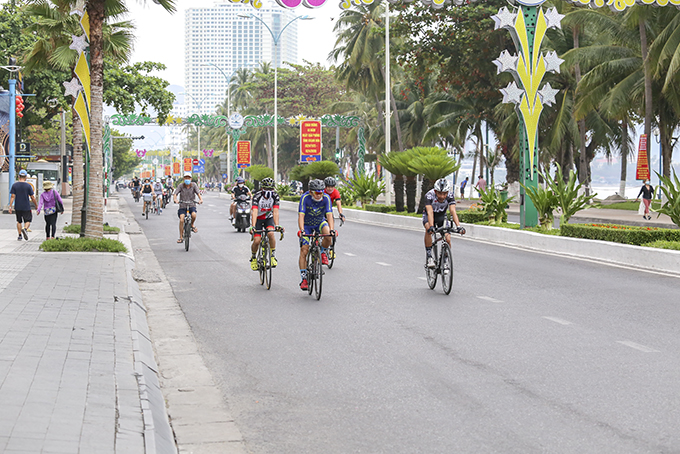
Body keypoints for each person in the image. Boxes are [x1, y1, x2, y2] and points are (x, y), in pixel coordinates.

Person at [298, 179, 334, 290]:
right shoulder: (305, 198)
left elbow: (329, 215)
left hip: (319, 222)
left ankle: (322, 252)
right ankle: (304, 279)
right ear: (311, 192)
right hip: (307, 225)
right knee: (304, 250)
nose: (319, 195)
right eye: (317, 193)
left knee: (328, 235)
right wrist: (302, 230)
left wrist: (332, 229)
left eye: (321, 192)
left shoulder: (326, 198)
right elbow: (301, 216)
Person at [423, 178, 465, 268]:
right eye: (440, 193)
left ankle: (445, 260)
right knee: (428, 230)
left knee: (448, 238)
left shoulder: (450, 195)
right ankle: (429, 256)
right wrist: (431, 226)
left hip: (441, 216)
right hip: (429, 215)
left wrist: (459, 226)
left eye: (444, 194)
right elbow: (430, 212)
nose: (442, 196)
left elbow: (453, 211)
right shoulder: (429, 195)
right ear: (435, 191)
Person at [249, 177, 284, 270]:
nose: (269, 191)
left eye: (271, 189)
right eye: (266, 189)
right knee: (257, 241)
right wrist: (253, 226)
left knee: (271, 233)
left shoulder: (275, 196)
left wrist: (276, 225)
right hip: (258, 219)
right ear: (262, 189)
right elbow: (254, 212)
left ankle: (272, 256)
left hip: (268, 218)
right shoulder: (257, 196)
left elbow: (275, 211)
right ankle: (253, 257)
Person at [173, 173, 203, 243]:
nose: (187, 179)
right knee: (181, 220)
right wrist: (175, 199)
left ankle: (192, 224)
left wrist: (200, 200)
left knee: (193, 215)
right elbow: (175, 194)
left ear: (191, 179)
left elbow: (198, 193)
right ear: (183, 179)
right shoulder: (180, 186)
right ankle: (181, 237)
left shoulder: (194, 185)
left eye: (188, 178)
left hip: (192, 205)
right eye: (186, 178)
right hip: (183, 206)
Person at [9, 169, 39, 241]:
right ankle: (25, 229)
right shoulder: (28, 186)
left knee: (19, 221)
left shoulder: (15, 185)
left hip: (17, 206)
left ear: (19, 176)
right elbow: (32, 197)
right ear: (26, 177)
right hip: (26, 206)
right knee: (28, 220)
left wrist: (10, 206)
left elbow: (12, 196)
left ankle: (19, 235)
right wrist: (36, 205)